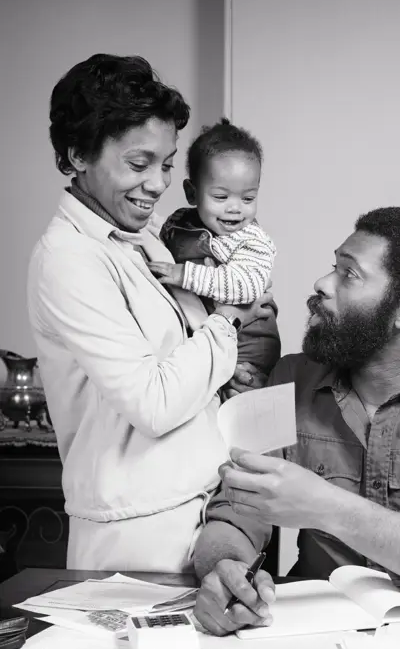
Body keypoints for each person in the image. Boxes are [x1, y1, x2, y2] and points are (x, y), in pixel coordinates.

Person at [192, 207, 400, 636]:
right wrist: (226, 570)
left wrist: (326, 506)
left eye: (349, 275)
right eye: (333, 267)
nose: (321, 284)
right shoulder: (289, 379)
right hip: (305, 632)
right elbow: (237, 512)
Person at [26, 53, 279, 572]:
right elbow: (156, 403)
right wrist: (231, 316)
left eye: (166, 164)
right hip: (139, 527)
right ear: (77, 154)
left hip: (210, 503)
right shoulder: (69, 259)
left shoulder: (150, 233)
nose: (158, 183)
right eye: (139, 164)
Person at [148, 118, 276, 310]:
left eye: (248, 199)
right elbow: (158, 245)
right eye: (221, 197)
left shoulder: (251, 240)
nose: (235, 208)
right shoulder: (178, 222)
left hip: (251, 335)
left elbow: (248, 286)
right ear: (192, 193)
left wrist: (186, 275)